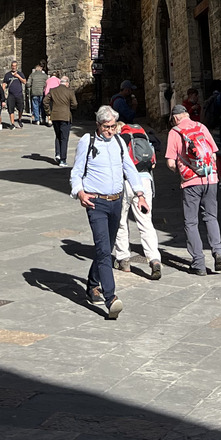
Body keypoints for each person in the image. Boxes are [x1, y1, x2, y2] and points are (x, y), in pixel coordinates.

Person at [69, 106, 148, 317]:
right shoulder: (88, 141)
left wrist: (140, 194)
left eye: (113, 126)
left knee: (107, 246)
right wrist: (79, 193)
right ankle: (111, 297)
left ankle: (93, 283)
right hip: (96, 203)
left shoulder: (119, 142)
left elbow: (129, 168)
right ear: (98, 125)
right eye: (107, 127)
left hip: (117, 201)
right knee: (104, 250)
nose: (110, 131)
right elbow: (76, 172)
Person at [165, 101, 221, 275]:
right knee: (211, 217)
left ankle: (198, 263)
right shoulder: (201, 127)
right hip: (210, 178)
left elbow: (170, 162)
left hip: (191, 183)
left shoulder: (175, 132)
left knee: (191, 222)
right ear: (187, 115)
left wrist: (180, 170)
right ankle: (218, 250)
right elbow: (213, 154)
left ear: (175, 118)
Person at [113, 117, 161, 279]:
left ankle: (123, 259)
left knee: (121, 221)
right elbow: (153, 164)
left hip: (126, 182)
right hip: (145, 181)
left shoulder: (120, 140)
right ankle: (154, 259)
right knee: (146, 222)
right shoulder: (144, 138)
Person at [44, 74, 76, 165]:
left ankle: (58, 154)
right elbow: (75, 104)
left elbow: (45, 101)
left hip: (55, 116)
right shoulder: (70, 92)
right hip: (65, 117)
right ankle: (63, 159)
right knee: (64, 138)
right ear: (67, 83)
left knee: (58, 135)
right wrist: (70, 108)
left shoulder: (53, 90)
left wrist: (48, 112)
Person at [4, 62, 26, 129]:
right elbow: (4, 83)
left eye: (15, 66)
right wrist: (3, 92)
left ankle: (19, 119)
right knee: (11, 109)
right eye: (12, 66)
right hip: (11, 95)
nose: (14, 67)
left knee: (21, 109)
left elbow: (24, 82)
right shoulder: (7, 75)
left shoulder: (20, 74)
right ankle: (12, 123)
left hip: (19, 94)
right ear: (11, 66)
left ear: (17, 66)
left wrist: (18, 76)